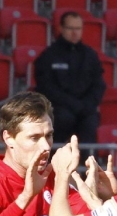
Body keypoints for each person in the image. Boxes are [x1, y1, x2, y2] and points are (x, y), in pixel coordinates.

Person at [34, 11, 105, 147]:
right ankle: (53, 164)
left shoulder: (90, 56)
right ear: (61, 28)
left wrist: (87, 105)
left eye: (78, 29)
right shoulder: (49, 56)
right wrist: (73, 104)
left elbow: (99, 85)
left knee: (90, 123)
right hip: (59, 110)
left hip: (85, 110)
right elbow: (46, 87)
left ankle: (88, 166)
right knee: (62, 119)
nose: (74, 33)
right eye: (70, 28)